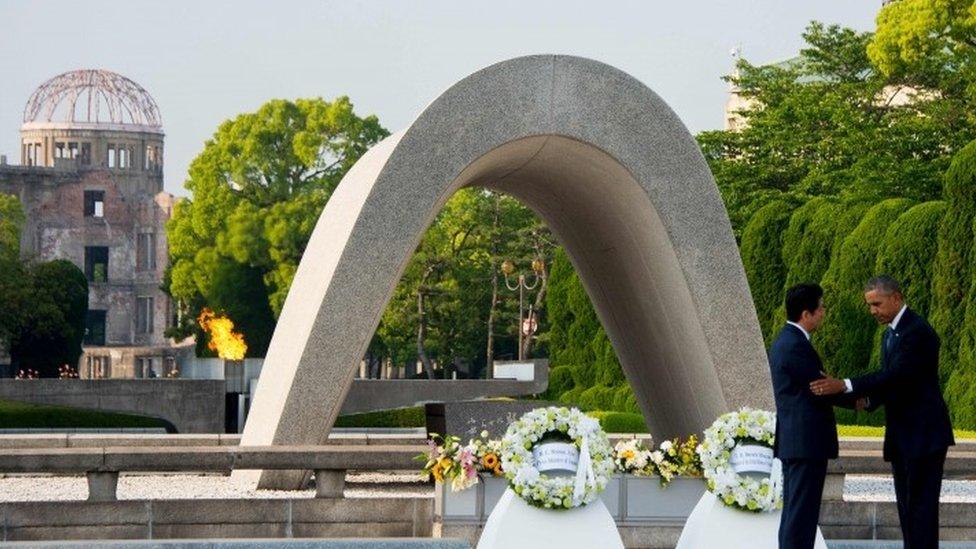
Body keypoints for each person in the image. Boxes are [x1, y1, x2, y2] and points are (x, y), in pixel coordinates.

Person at [810, 276, 954, 549]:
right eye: (869, 305)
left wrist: (845, 384)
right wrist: (864, 401)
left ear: (896, 298)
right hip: (904, 436)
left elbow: (897, 375)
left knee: (921, 511)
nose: (872, 310)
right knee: (908, 510)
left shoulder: (917, 332)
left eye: (876, 303)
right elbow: (893, 385)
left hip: (924, 437)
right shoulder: (891, 334)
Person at [769, 283, 859, 549]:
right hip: (805, 443)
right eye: (820, 308)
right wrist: (859, 398)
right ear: (805, 314)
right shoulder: (795, 345)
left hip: (798, 443)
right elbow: (820, 387)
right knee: (801, 517)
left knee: (796, 514)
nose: (823, 313)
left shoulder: (787, 341)